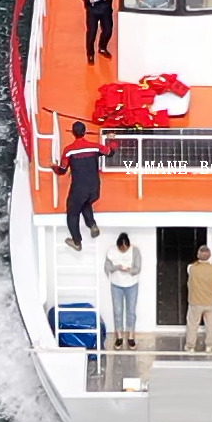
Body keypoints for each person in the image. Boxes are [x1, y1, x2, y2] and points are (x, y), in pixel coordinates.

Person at [51, 120, 104, 250]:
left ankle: (76, 242)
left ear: (73, 133)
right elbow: (110, 152)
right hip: (95, 189)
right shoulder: (95, 147)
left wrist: (53, 167)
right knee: (86, 203)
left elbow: (62, 170)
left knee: (72, 213)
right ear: (85, 132)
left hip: (79, 190)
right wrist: (112, 141)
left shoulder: (69, 151)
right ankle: (92, 225)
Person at [103, 231, 142, 348]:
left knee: (131, 311)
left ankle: (131, 336)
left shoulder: (135, 251)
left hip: (132, 285)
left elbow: (138, 268)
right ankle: (119, 336)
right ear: (118, 246)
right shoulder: (111, 251)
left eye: (125, 248)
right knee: (118, 311)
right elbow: (107, 268)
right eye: (121, 249)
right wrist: (118, 267)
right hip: (116, 285)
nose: (124, 250)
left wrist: (129, 270)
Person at [184, 244, 212, 350]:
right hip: (210, 302)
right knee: (210, 325)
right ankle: (209, 345)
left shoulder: (191, 268)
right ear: (210, 255)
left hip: (195, 302)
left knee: (193, 324)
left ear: (198, 255)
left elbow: (192, 268)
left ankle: (190, 346)